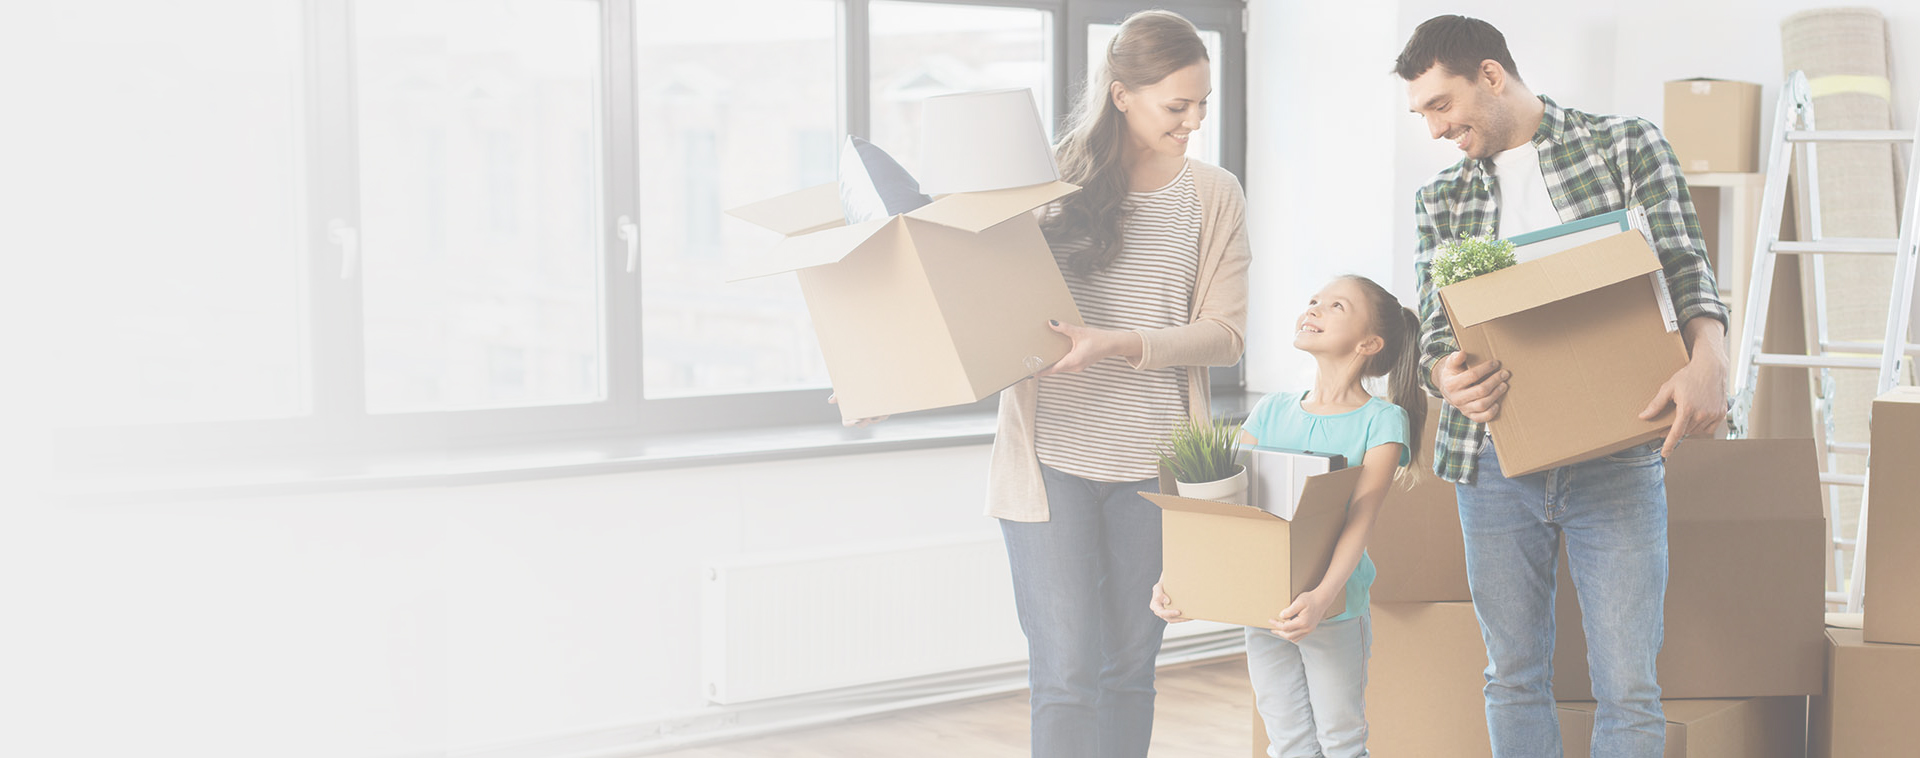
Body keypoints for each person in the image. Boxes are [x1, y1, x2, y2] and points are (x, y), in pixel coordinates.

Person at [1394, 15, 1730, 758]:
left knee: (1629, 687)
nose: (1435, 129)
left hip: (1617, 452)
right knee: (1512, 675)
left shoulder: (1623, 146)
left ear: (1490, 74)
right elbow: (1435, 330)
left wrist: (1712, 363)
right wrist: (1447, 377)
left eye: (1441, 106)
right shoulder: (1442, 198)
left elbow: (1686, 268)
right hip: (1493, 463)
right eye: (1422, 115)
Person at [985, 9, 1249, 757]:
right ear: (1121, 93)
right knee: (1067, 672)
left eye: (1203, 104)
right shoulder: (1041, 184)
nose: (1195, 121)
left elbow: (1226, 335)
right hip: (1050, 463)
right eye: (1178, 106)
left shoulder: (1214, 194)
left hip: (1153, 467)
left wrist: (1119, 343)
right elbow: (973, 298)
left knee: (1129, 668)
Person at [1151, 275, 1423, 758]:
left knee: (1341, 740)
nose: (1314, 309)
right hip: (1264, 606)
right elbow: (1228, 514)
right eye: (1313, 300)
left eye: (1336, 305)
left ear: (1369, 343)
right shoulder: (1271, 411)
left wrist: (1321, 598)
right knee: (1288, 742)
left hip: (1332, 609)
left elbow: (1360, 520)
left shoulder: (1382, 420)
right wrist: (1179, 579)